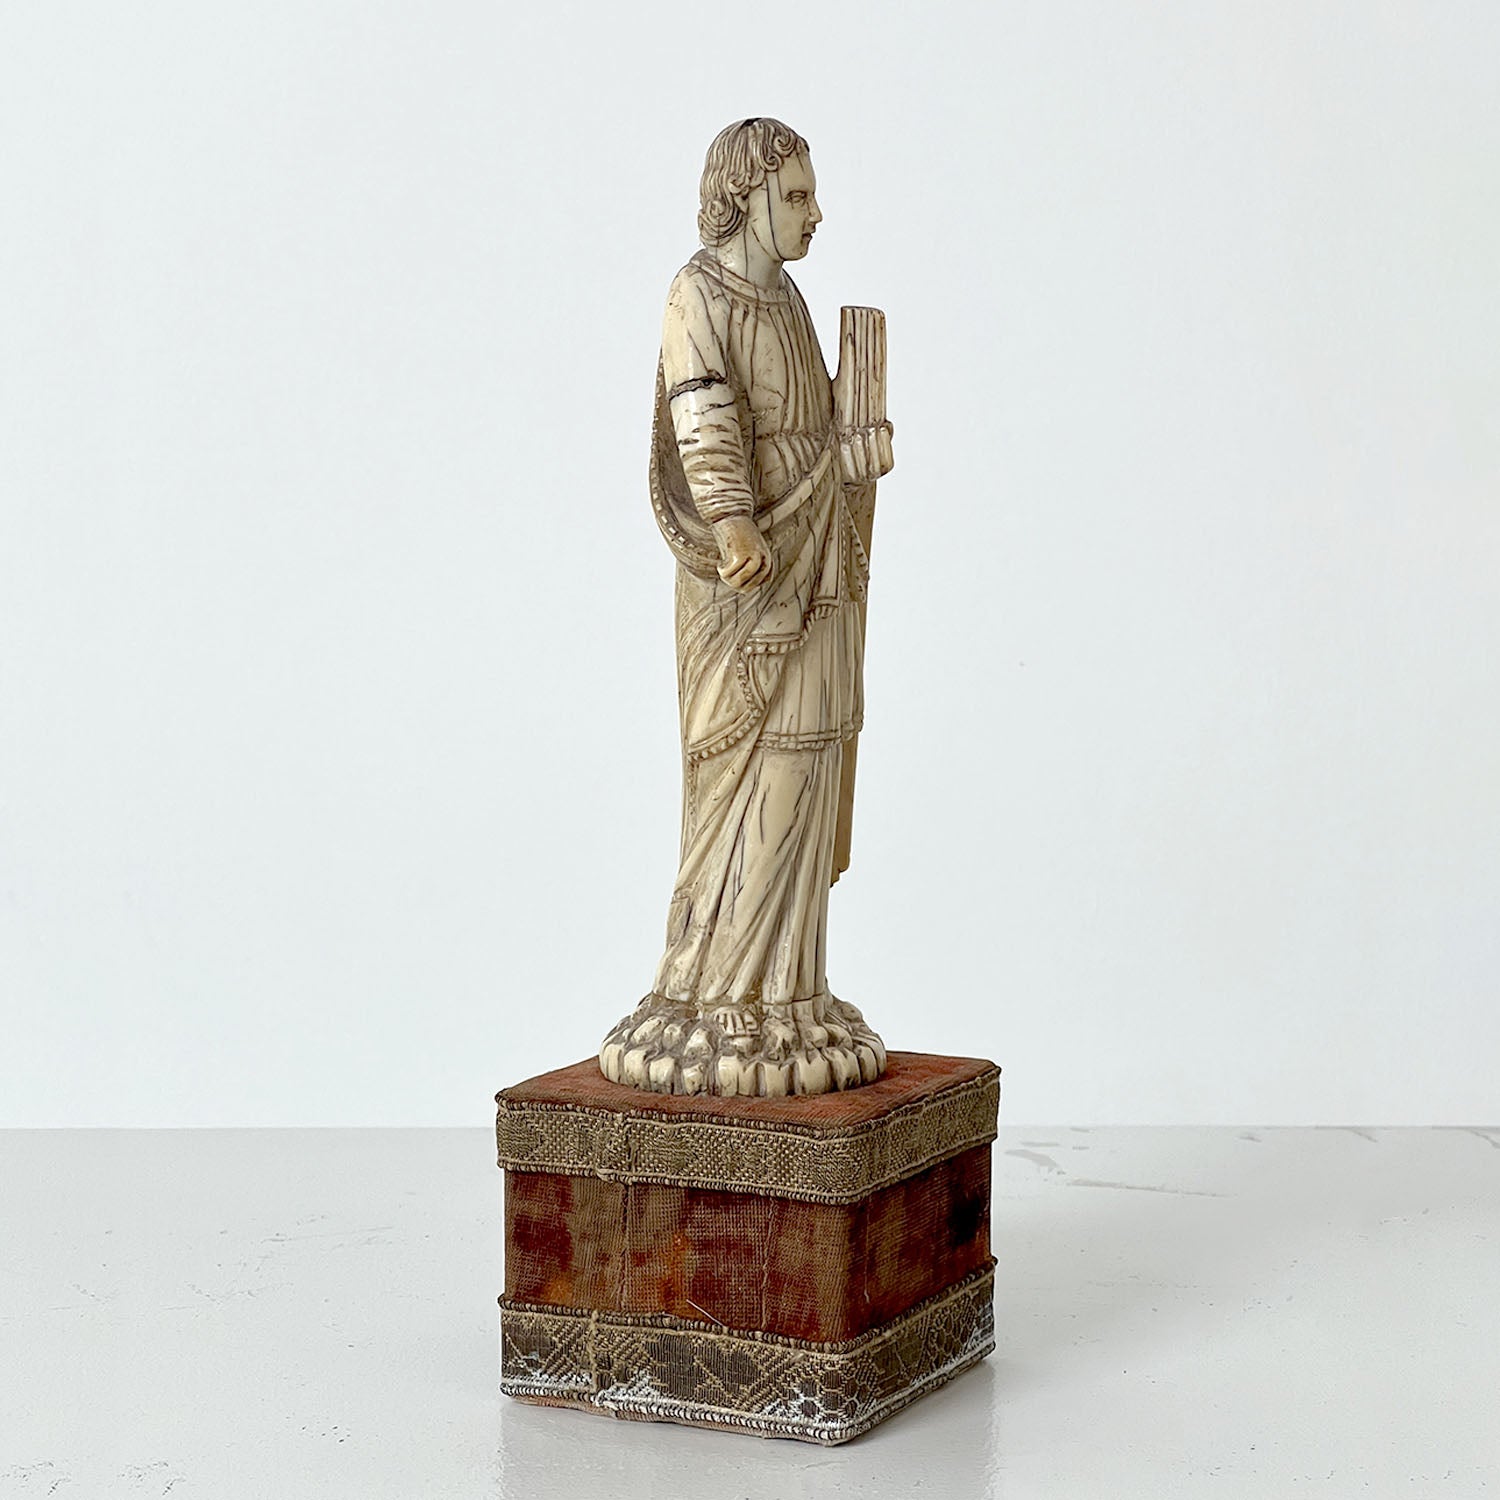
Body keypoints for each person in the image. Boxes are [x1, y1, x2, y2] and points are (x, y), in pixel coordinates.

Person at [599, 119, 891, 1097]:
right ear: (745, 197)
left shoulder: (790, 298)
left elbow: (805, 427)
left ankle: (789, 993)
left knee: (808, 753)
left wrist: (856, 436)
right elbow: (702, 409)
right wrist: (730, 521)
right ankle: (714, 991)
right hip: (747, 581)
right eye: (797, 196)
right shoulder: (699, 293)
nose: (816, 214)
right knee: (741, 770)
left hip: (814, 562)